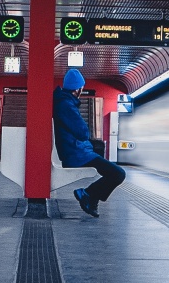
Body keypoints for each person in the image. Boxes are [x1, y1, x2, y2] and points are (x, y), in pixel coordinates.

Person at [52, 68, 126, 218]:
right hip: (77, 155)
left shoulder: (65, 102)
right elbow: (83, 133)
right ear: (78, 88)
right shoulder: (66, 105)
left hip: (77, 152)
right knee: (118, 173)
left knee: (113, 171)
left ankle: (90, 197)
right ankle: (88, 194)